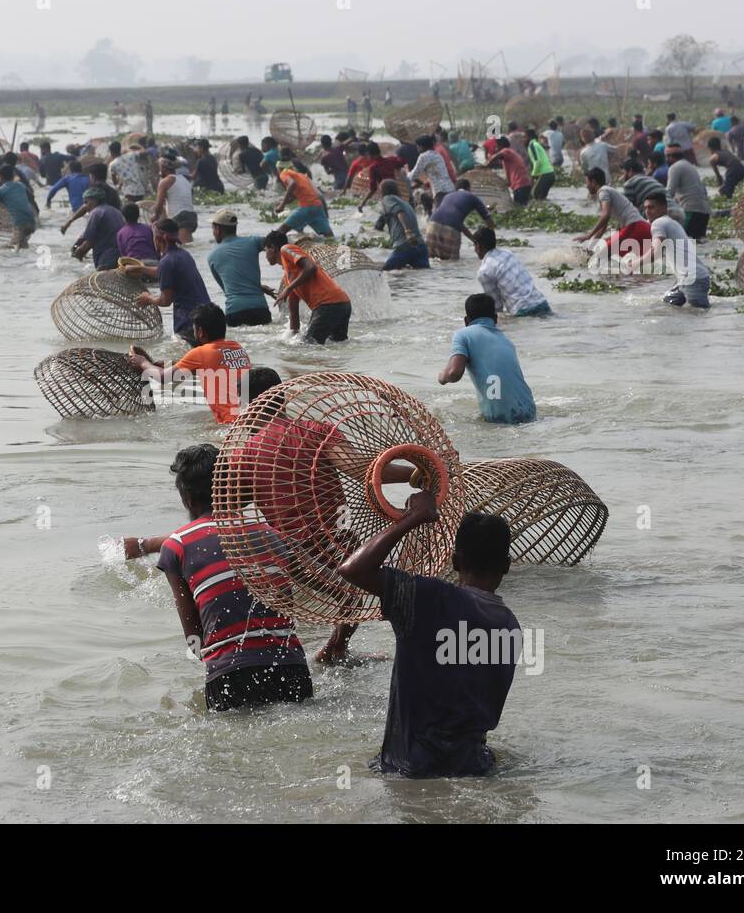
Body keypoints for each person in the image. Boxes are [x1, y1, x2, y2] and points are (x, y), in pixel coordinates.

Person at [336, 499, 520, 777]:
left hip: (409, 768)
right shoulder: (510, 627)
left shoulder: (428, 598)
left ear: (455, 560)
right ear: (506, 566)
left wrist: (410, 519)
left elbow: (353, 569)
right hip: (473, 767)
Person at [122, 444, 312, 711]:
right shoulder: (270, 533)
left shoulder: (177, 546)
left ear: (186, 498)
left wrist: (214, 661)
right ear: (229, 488)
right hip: (291, 666)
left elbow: (193, 635)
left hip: (230, 675)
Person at [127, 304, 251, 424]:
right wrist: (170, 364)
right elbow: (211, 367)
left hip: (230, 422)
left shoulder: (200, 353)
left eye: (194, 329)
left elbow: (163, 377)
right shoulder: (237, 348)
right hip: (249, 416)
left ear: (200, 332)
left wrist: (142, 362)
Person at [438, 293, 536, 424]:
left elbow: (454, 373)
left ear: (466, 321)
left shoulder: (463, 335)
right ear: (495, 319)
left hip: (500, 417)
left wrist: (442, 377)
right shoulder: (506, 340)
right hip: (529, 410)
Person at [134, 218, 211, 346]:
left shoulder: (167, 262)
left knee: (187, 363)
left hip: (189, 322)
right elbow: (163, 271)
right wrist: (141, 268)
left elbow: (165, 300)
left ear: (158, 239)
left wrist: (148, 298)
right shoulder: (183, 254)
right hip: (208, 317)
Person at [628, 190, 711, 308]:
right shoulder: (670, 222)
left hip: (693, 279)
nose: (647, 212)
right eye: (645, 208)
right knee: (667, 304)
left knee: (699, 315)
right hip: (686, 279)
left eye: (651, 208)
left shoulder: (659, 223)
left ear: (663, 209)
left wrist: (636, 263)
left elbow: (655, 252)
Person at [265, 231, 351, 344]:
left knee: (309, 347)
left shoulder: (286, 249)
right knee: (337, 345)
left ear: (272, 248)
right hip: (342, 304)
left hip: (328, 305)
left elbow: (311, 267)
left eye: (265, 251)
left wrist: (288, 289)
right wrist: (291, 337)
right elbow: (293, 312)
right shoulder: (289, 277)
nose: (265, 256)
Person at [205, 209, 274, 326]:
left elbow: (228, 288)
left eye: (213, 228)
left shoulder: (212, 256)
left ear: (218, 230)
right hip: (260, 307)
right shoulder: (254, 241)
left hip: (235, 310)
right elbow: (276, 245)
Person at [575, 167, 651, 259]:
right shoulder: (608, 191)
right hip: (645, 229)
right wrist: (590, 247)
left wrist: (588, 235)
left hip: (635, 227)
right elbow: (603, 227)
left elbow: (605, 215)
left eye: (587, 182)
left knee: (602, 256)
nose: (586, 185)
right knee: (633, 265)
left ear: (593, 182)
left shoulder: (603, 191)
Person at [474, 228, 549, 316]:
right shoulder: (507, 253)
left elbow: (496, 306)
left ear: (478, 246)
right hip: (541, 302)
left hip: (523, 310)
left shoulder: (484, 271)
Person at [426, 179, 494, 260]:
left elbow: (459, 224)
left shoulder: (448, 196)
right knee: (452, 262)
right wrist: (492, 240)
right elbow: (488, 220)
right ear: (468, 188)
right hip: (451, 230)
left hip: (432, 225)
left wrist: (474, 240)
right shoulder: (472, 197)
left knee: (432, 258)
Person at [374, 179, 429, 270]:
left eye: (380, 190)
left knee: (384, 272)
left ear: (384, 190)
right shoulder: (404, 202)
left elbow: (400, 213)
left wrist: (408, 232)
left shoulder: (388, 198)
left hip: (405, 245)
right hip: (420, 246)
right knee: (420, 275)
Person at [274, 162, 334, 237]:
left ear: (279, 169)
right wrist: (283, 202)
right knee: (329, 237)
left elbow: (292, 184)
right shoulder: (302, 176)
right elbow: (318, 195)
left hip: (307, 207)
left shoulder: (284, 173)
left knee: (280, 231)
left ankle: (269, 247)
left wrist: (282, 205)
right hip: (318, 207)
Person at [72, 188, 125, 270]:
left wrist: (79, 253)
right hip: (122, 255)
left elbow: (89, 240)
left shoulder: (95, 213)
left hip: (106, 258)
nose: (85, 206)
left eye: (86, 202)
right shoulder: (115, 211)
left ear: (95, 200)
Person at [665, 145, 711, 239]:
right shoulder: (689, 165)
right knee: (697, 242)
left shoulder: (674, 168)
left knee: (682, 243)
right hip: (704, 212)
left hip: (691, 211)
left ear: (670, 157)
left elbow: (669, 192)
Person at [0, 164, 38, 249]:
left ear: (0, 177)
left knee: (13, 247)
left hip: (20, 223)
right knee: (21, 244)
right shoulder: (21, 185)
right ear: (13, 176)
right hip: (32, 222)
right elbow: (31, 197)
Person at [152, 159, 197, 243]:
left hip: (180, 217)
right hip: (191, 215)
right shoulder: (184, 179)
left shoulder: (164, 182)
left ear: (164, 169)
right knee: (188, 245)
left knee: (184, 247)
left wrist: (155, 217)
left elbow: (159, 206)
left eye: (159, 169)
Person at [409, 135, 458, 207]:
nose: (417, 149)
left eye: (417, 146)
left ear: (422, 146)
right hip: (450, 188)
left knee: (440, 215)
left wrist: (405, 174)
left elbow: (413, 175)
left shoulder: (424, 156)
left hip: (440, 192)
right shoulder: (437, 154)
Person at [485, 137, 532, 206]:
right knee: (521, 208)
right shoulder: (508, 156)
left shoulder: (506, 151)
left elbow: (496, 157)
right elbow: (508, 180)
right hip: (523, 185)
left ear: (500, 145)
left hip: (520, 185)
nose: (495, 149)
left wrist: (485, 166)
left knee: (518, 208)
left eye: (496, 146)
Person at [116, 201, 158, 267]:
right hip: (152, 262)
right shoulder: (148, 229)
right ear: (138, 215)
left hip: (134, 264)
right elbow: (155, 246)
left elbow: (123, 254)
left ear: (123, 217)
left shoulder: (121, 233)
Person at [525, 127, 555, 200]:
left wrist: (532, 176)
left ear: (529, 137)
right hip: (550, 174)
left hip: (545, 174)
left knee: (535, 195)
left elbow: (538, 162)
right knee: (541, 199)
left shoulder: (532, 145)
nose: (523, 140)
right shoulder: (537, 144)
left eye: (524, 137)